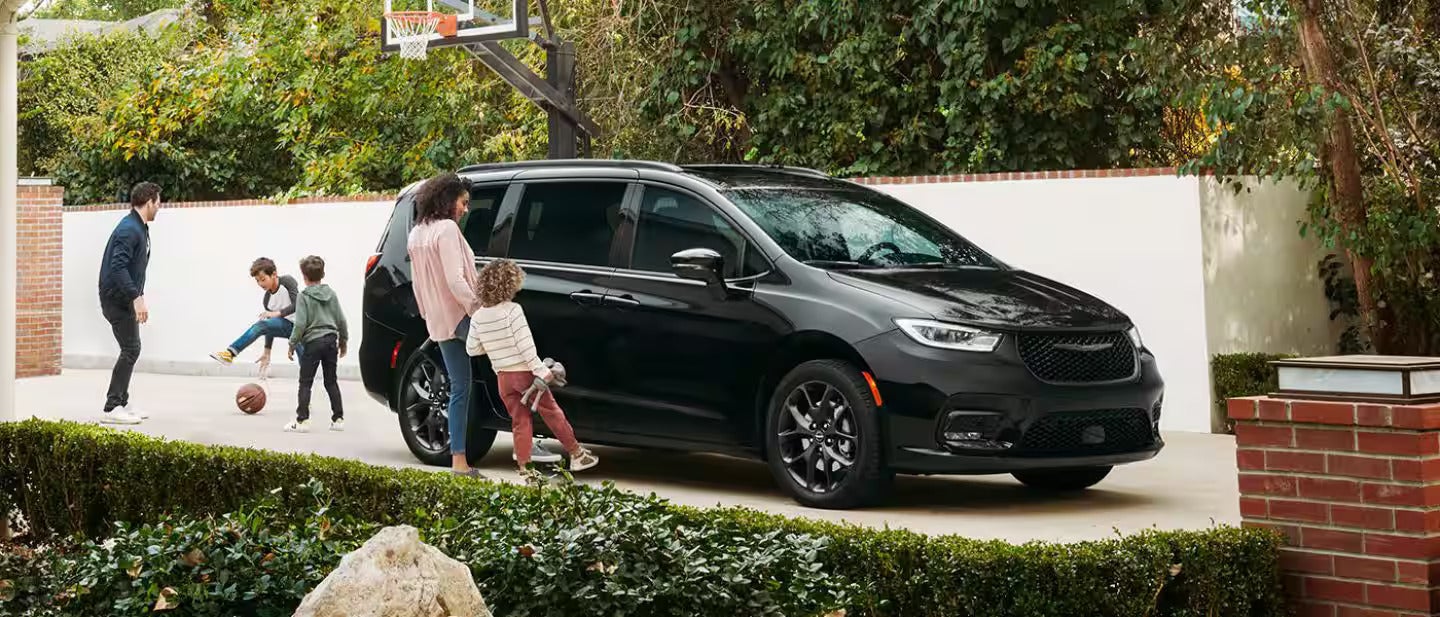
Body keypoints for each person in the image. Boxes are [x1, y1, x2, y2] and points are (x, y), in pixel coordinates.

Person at [407, 173, 562, 477]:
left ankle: (460, 462)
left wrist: (429, 316)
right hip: (464, 317)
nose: (465, 209)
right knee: (517, 369)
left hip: (441, 323)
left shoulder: (417, 234)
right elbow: (456, 280)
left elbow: (417, 286)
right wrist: (480, 309)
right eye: (463, 202)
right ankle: (529, 444)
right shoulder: (446, 230)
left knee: (461, 388)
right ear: (447, 199)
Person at [467, 258, 598, 475]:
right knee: (552, 412)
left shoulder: (478, 316)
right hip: (525, 375)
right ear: (510, 284)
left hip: (503, 378)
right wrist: (541, 370)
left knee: (520, 420)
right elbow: (525, 345)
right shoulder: (513, 310)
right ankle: (577, 454)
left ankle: (525, 468)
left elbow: (472, 349)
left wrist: (495, 346)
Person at [96, 182, 161, 425]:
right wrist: (136, 297)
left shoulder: (139, 227)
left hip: (125, 298)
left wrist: (137, 296)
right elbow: (118, 267)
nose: (159, 207)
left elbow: (135, 268)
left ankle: (121, 402)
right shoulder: (128, 229)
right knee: (131, 349)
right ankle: (112, 406)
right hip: (116, 299)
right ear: (149, 201)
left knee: (132, 348)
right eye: (158, 202)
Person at [284, 255, 347, 433]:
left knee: (305, 383)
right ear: (323, 274)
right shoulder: (331, 294)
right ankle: (338, 419)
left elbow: (300, 324)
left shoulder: (303, 296)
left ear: (304, 276)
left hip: (313, 342)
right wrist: (343, 340)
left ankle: (302, 421)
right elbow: (341, 320)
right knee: (331, 381)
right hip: (331, 340)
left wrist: (292, 344)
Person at [209, 257, 299, 374]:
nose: (260, 284)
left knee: (306, 368)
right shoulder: (267, 300)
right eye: (257, 281)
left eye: (263, 279)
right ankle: (230, 353)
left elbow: (297, 304)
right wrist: (267, 352)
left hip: (301, 329)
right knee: (261, 325)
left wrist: (276, 313)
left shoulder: (287, 281)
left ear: (274, 274)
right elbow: (268, 326)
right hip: (286, 328)